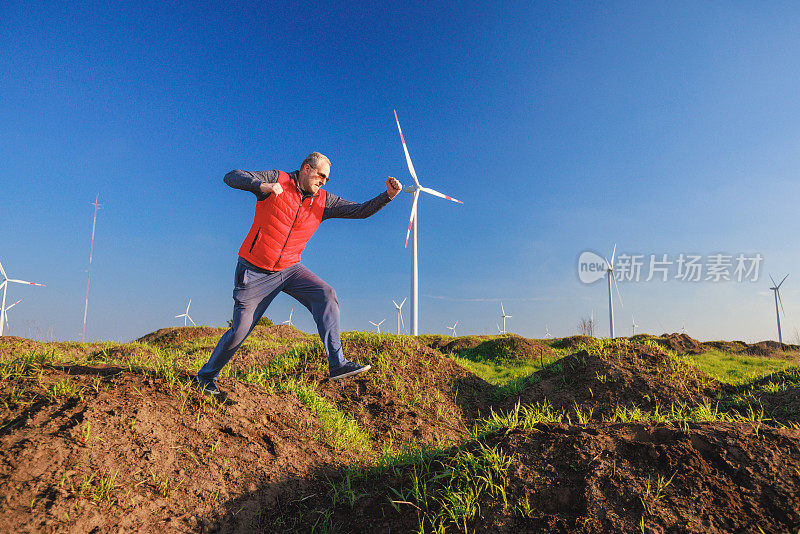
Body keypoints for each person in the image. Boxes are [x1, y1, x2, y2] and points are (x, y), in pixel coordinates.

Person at [195, 152, 402, 395]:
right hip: (255, 270)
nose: (323, 181)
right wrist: (262, 186)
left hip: (290, 268)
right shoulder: (276, 179)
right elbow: (231, 176)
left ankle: (337, 364)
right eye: (320, 175)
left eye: (327, 178)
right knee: (240, 330)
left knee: (326, 294)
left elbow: (360, 210)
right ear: (306, 168)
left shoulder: (324, 201)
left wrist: (387, 196)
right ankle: (206, 376)